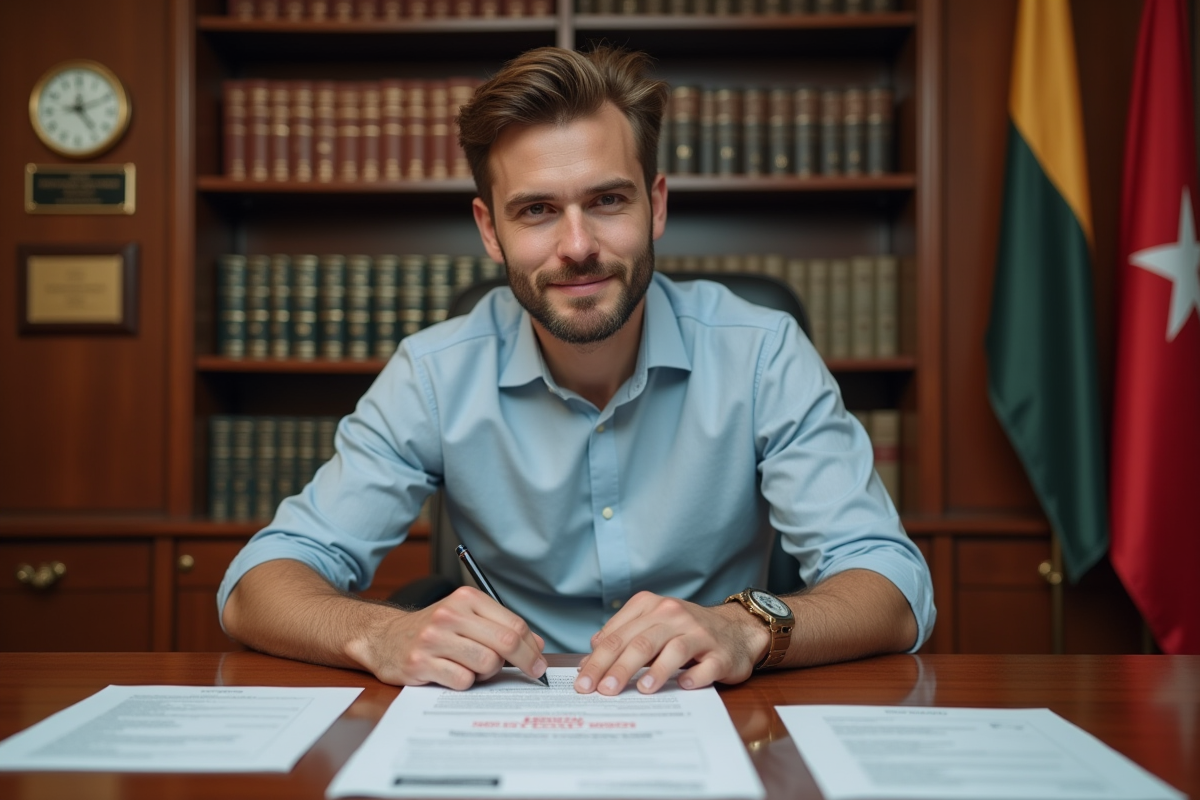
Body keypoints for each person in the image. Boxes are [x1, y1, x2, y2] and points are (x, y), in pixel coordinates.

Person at [219, 45, 935, 696]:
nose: (577, 246)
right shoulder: (433, 374)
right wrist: (380, 632)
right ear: (489, 231)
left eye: (607, 200)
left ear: (655, 205)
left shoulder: (762, 352)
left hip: (710, 711)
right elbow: (257, 585)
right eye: (536, 210)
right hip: (508, 713)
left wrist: (746, 626)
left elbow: (895, 589)